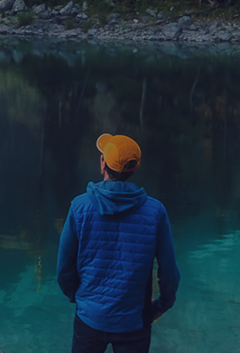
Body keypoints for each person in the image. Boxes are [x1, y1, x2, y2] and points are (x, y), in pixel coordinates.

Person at [56, 133, 180, 353]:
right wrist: (162, 305)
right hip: (135, 322)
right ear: (133, 169)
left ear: (103, 164)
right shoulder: (156, 212)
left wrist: (78, 297)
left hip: (89, 318)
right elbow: (169, 272)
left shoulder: (79, 207)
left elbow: (64, 268)